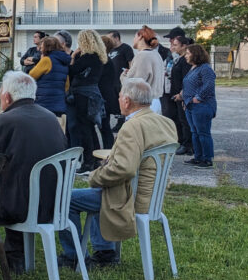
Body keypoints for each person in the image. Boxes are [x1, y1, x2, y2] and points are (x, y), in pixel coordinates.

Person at [57, 78, 176, 269]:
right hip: (153, 196)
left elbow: (124, 169)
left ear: (127, 101)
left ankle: (74, 256)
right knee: (103, 189)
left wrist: (94, 176)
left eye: (120, 96)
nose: (118, 99)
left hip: (131, 198)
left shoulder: (132, 126)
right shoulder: (166, 122)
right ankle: (105, 252)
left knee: (64, 199)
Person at [0, 71, 67, 273]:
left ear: (6, 97)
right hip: (52, 206)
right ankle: (15, 258)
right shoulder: (51, 119)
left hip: (15, 207)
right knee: (14, 185)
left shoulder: (5, 121)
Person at [66, 29, 107, 171]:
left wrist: (73, 57)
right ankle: (95, 160)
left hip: (82, 95)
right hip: (93, 94)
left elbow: (72, 70)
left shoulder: (87, 57)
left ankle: (88, 162)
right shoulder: (98, 57)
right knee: (90, 128)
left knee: (84, 129)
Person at [181, 44, 216, 168]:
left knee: (203, 133)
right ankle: (198, 157)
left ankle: (207, 159)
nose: (186, 56)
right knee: (195, 132)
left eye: (188, 53)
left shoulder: (205, 68)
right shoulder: (193, 68)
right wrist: (185, 99)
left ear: (195, 54)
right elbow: (188, 86)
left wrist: (198, 98)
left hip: (202, 106)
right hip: (190, 105)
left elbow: (209, 84)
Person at [125, 26, 165, 114]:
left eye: (134, 37)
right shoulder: (156, 55)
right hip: (155, 101)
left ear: (140, 36)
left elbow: (135, 83)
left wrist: (124, 76)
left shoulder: (142, 56)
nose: (133, 39)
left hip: (143, 104)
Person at [30, 36, 69, 119]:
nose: (40, 50)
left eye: (42, 47)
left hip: (45, 103)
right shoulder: (64, 61)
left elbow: (31, 75)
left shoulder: (46, 60)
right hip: (59, 103)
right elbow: (67, 85)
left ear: (47, 48)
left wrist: (41, 60)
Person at [166, 36, 193, 156]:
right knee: (180, 119)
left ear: (184, 46)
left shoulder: (185, 61)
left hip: (182, 95)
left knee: (185, 120)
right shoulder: (178, 59)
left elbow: (186, 79)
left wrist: (182, 94)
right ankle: (183, 142)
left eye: (176, 45)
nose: (173, 47)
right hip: (176, 94)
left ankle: (188, 145)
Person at [97, 35, 123, 149]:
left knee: (104, 126)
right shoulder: (108, 60)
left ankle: (108, 151)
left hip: (103, 97)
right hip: (107, 96)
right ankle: (108, 150)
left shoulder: (104, 61)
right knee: (104, 126)